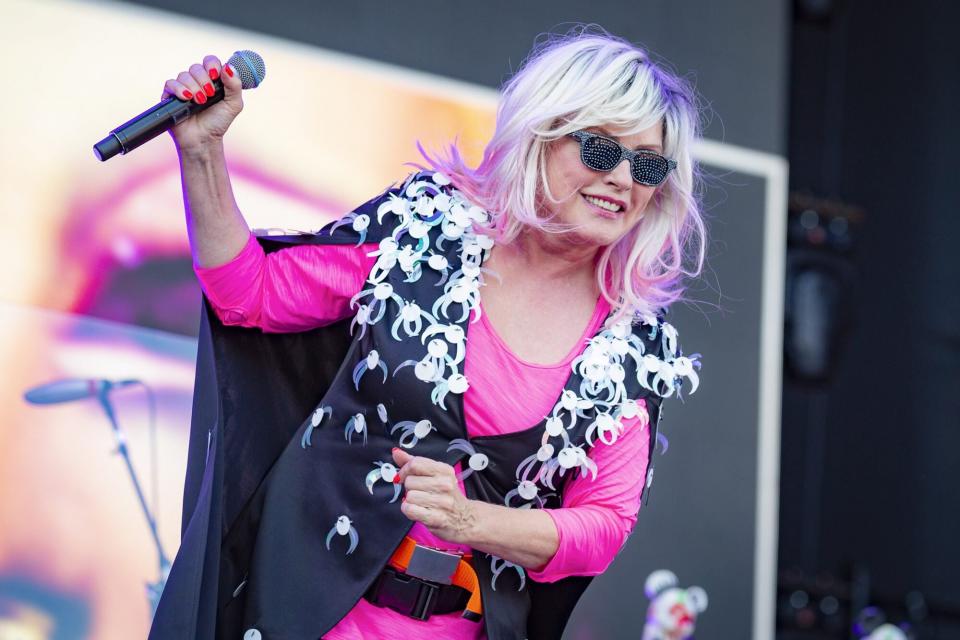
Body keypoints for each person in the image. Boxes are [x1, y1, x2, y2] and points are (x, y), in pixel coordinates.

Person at [149, 29, 705, 640]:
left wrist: (472, 521)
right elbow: (250, 296)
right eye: (601, 150)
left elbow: (601, 527)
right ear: (539, 135)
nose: (624, 178)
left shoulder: (635, 346)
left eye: (648, 163)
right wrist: (201, 152)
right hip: (304, 610)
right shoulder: (424, 228)